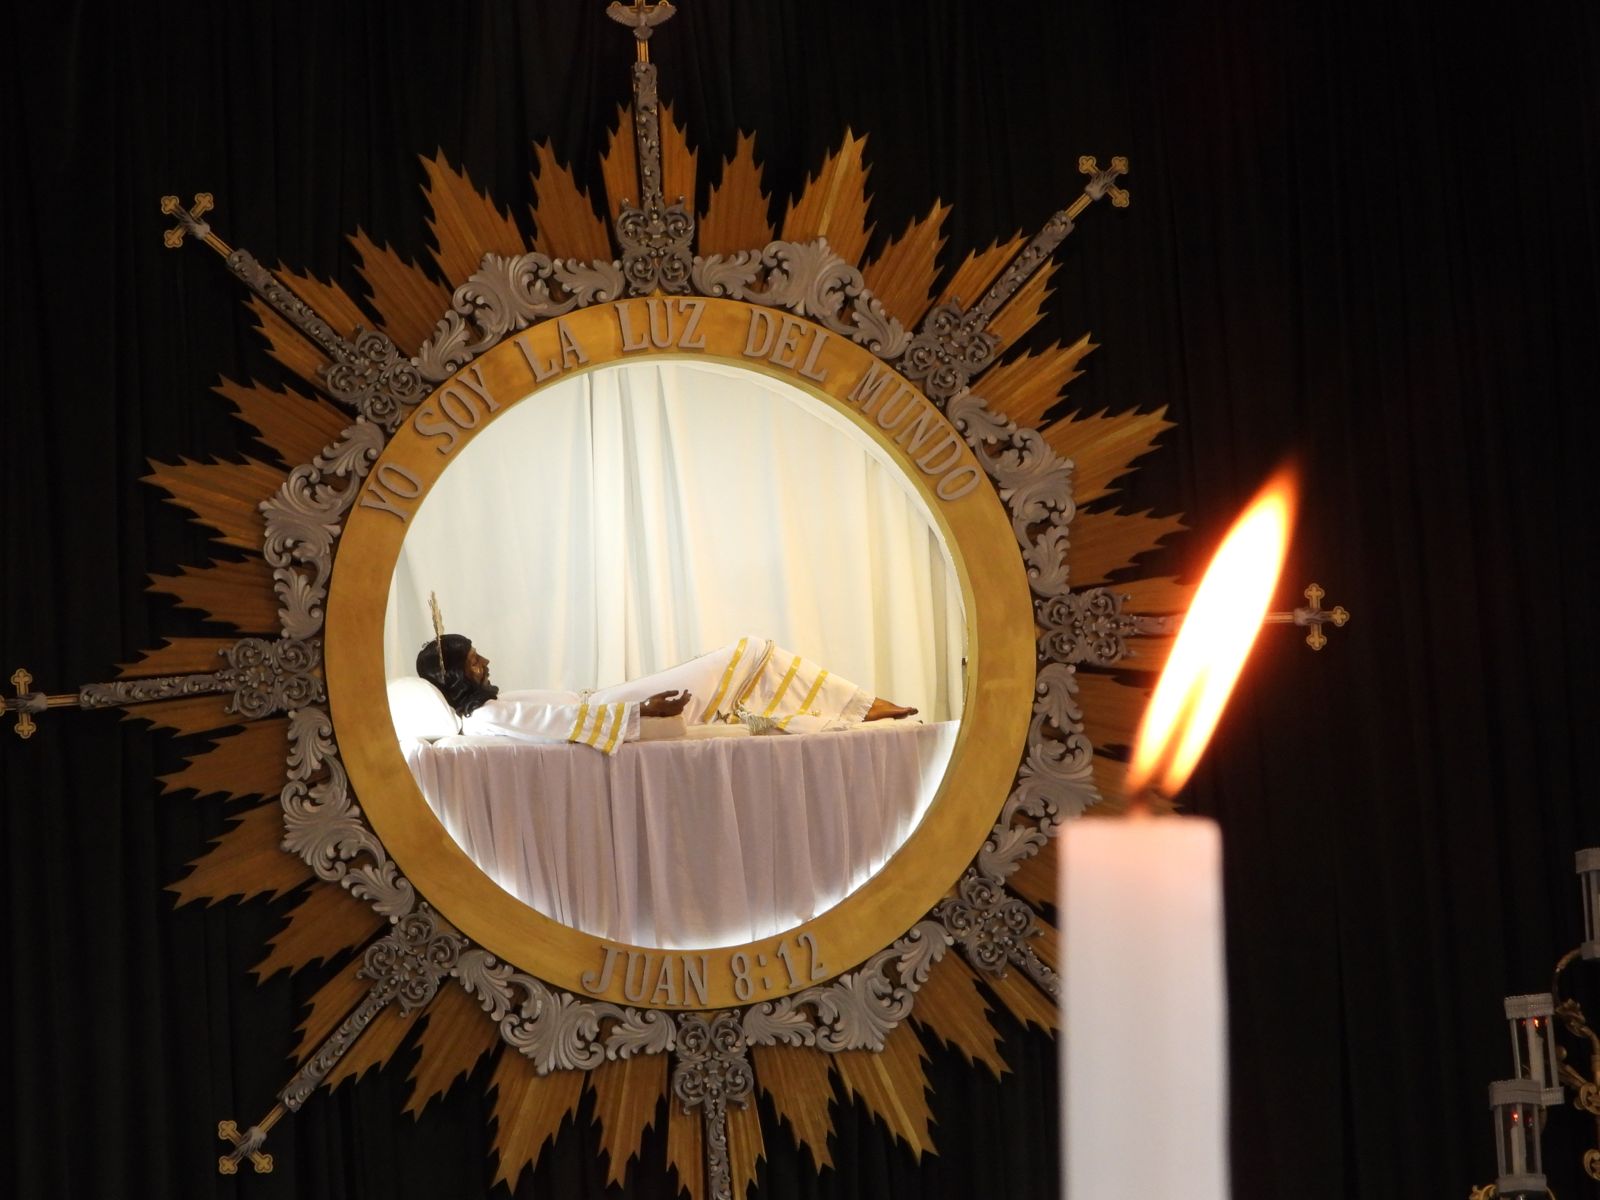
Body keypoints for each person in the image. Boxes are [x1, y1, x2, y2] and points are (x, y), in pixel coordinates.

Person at [416, 633, 914, 754]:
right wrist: (642, 709)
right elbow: (561, 724)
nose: (485, 662)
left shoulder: (488, 709)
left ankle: (860, 706)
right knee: (749, 654)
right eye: (474, 661)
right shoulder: (485, 719)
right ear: (455, 677)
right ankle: (861, 707)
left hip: (607, 701)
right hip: (612, 708)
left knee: (747, 657)